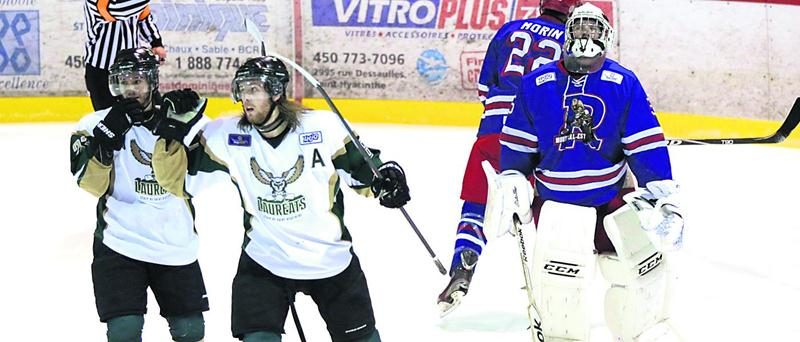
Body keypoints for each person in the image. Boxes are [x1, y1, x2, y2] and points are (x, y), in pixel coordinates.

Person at [150, 56, 410, 342]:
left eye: (254, 90)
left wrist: (386, 181)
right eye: (243, 90)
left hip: (329, 258)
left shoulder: (324, 128)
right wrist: (170, 134)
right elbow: (176, 183)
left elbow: (365, 172)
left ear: (276, 91)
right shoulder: (228, 136)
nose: (246, 99)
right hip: (265, 260)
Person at [484, 3, 685, 340]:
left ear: (606, 36)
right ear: (568, 33)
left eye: (594, 30)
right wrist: (513, 181)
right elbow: (519, 149)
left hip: (612, 195)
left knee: (641, 270)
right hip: (557, 203)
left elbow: (644, 143)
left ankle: (644, 331)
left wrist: (661, 192)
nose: (586, 38)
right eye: (580, 30)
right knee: (563, 288)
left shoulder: (623, 81)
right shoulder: (536, 84)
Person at [438, 0, 584, 315]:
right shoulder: (572, 42)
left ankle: (463, 264)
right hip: (536, 138)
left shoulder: (509, 29)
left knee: (476, 205)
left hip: (492, 133)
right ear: (571, 11)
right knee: (549, 208)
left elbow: (483, 88)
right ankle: (557, 286)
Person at [69, 47, 209, 342]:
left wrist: (181, 127)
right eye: (123, 82)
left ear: (152, 82)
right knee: (124, 331)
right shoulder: (94, 124)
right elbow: (90, 185)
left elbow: (201, 176)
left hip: (174, 241)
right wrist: (104, 142)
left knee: (191, 332)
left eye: (137, 81)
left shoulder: (180, 119)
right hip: (119, 243)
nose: (129, 89)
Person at [83, 0, 167, 110]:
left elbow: (143, 17)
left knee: (151, 114)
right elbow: (120, 10)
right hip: (102, 73)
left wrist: (156, 42)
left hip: (134, 68)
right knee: (109, 118)